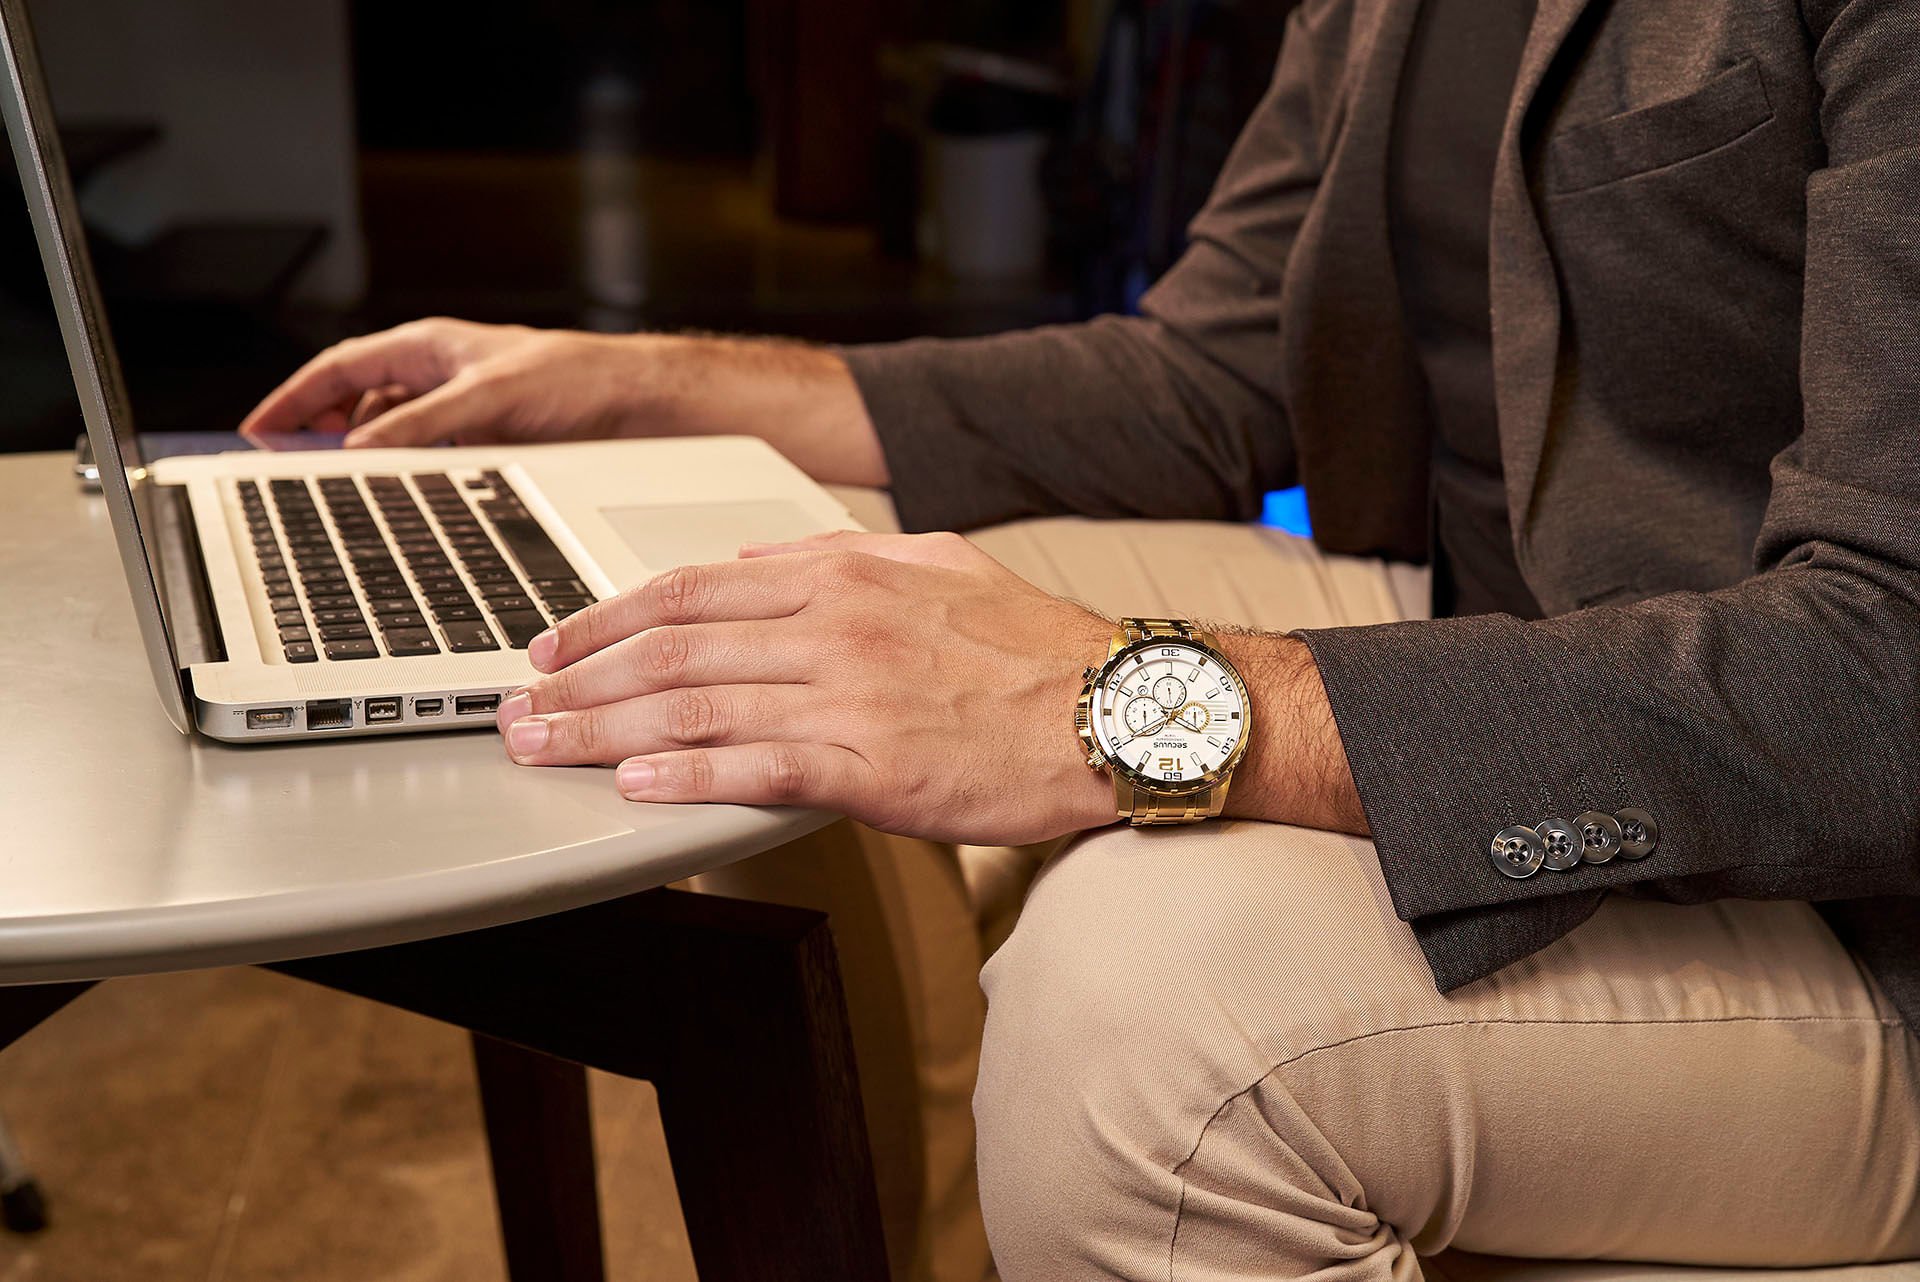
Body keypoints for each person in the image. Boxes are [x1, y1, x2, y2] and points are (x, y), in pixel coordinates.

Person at [240, 1, 1920, 1277]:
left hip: (1851, 887)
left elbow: (1884, 663)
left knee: (1145, 1014)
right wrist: (641, 379)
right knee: (804, 604)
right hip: (1508, 616)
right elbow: (1205, 376)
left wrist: (1128, 704)